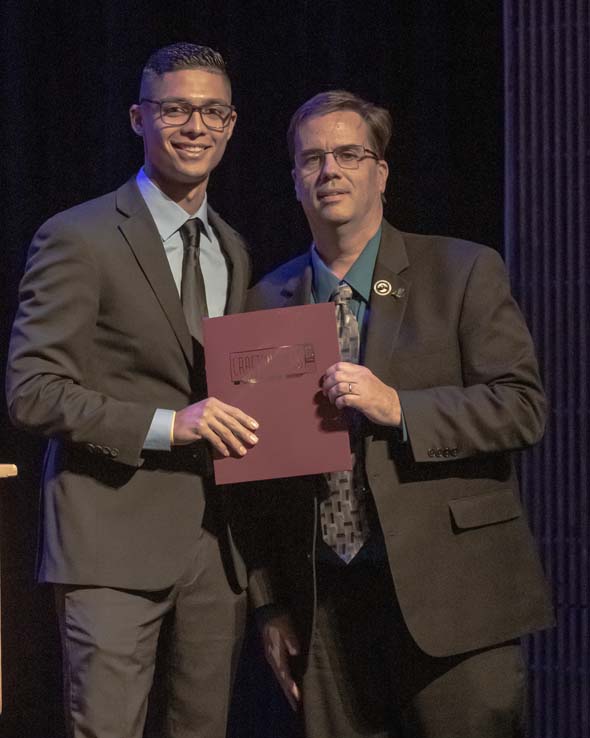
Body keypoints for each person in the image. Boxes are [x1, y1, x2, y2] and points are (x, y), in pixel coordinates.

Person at [244, 90, 554, 738]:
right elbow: (260, 482)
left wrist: (399, 408)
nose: (330, 170)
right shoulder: (262, 303)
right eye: (313, 158)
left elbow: (523, 409)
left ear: (381, 171)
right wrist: (270, 604)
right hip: (325, 612)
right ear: (295, 181)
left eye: (349, 154)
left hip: (455, 603)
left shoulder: (462, 270)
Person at [6, 43, 260, 738]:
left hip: (216, 549)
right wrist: (168, 425)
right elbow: (30, 390)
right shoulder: (77, 236)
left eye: (212, 111)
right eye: (174, 108)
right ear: (137, 118)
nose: (194, 126)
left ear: (232, 124)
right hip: (109, 541)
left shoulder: (232, 247)